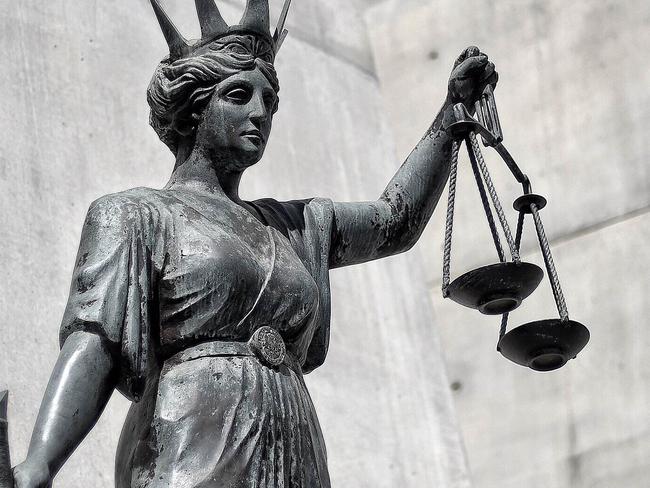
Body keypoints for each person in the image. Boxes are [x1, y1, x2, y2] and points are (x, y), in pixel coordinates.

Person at [12, 0, 497, 486]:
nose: (260, 113)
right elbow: (94, 342)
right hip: (189, 443)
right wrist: (41, 461)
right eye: (239, 95)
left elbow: (395, 222)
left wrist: (450, 115)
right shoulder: (135, 216)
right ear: (192, 111)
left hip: (294, 448)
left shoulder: (296, 225)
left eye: (270, 102)